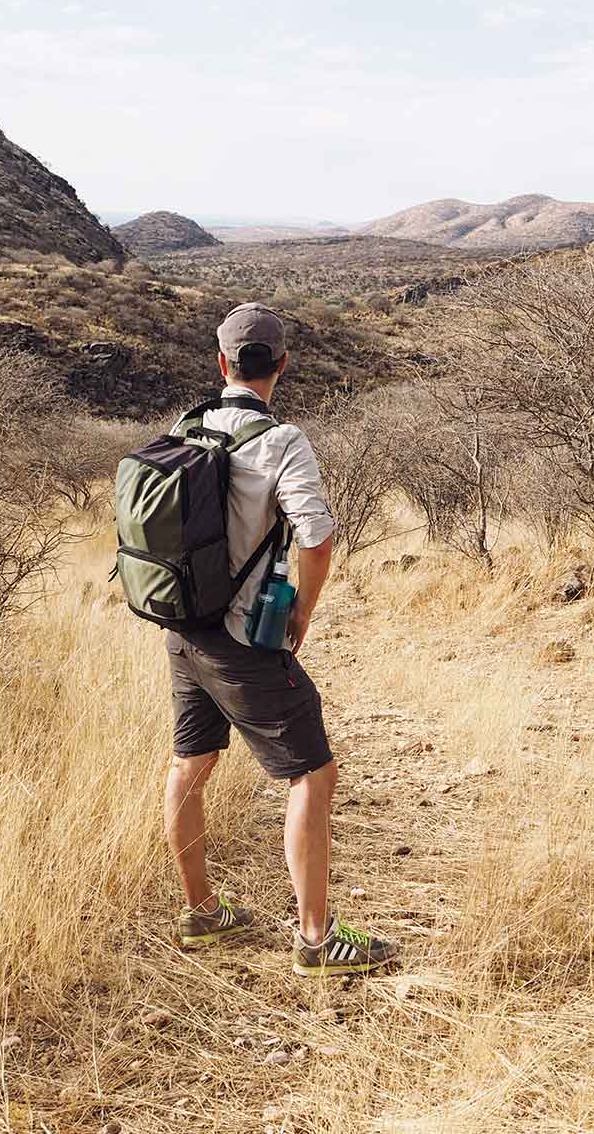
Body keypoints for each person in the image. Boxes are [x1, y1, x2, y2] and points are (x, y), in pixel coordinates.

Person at [165, 302, 399, 977]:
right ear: (283, 365)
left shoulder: (186, 426)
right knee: (313, 772)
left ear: (222, 364)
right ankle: (317, 940)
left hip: (184, 631)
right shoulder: (282, 441)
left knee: (190, 766)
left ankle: (203, 914)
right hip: (242, 639)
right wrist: (303, 615)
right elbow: (317, 537)